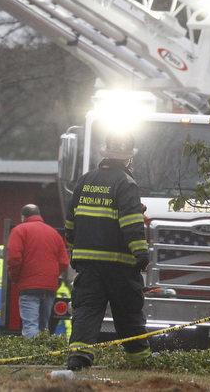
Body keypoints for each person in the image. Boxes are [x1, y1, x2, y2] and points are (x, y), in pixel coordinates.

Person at [65, 132, 150, 370]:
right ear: (127, 159)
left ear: (105, 154)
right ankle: (140, 361)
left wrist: (74, 250)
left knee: (86, 311)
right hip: (119, 265)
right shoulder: (126, 183)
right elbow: (132, 225)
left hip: (88, 264)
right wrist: (141, 255)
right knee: (128, 312)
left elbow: (70, 222)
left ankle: (78, 359)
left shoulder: (84, 181)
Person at [5, 204, 69, 338]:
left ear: (23, 217)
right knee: (43, 327)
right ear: (39, 215)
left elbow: (14, 258)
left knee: (30, 326)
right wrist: (51, 276)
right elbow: (64, 262)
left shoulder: (19, 231)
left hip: (29, 287)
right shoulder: (54, 233)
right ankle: (44, 355)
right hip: (49, 287)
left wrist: (15, 278)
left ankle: (32, 357)